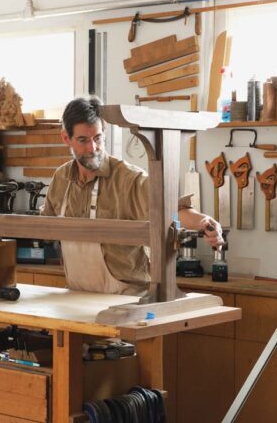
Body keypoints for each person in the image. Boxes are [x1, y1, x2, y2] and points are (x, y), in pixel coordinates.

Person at [41, 96, 224, 301]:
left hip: (127, 297)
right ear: (66, 138)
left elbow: (170, 208)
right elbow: (45, 228)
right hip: (76, 295)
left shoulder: (128, 179)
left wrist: (203, 222)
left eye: (98, 138)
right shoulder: (61, 178)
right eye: (83, 140)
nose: (93, 148)